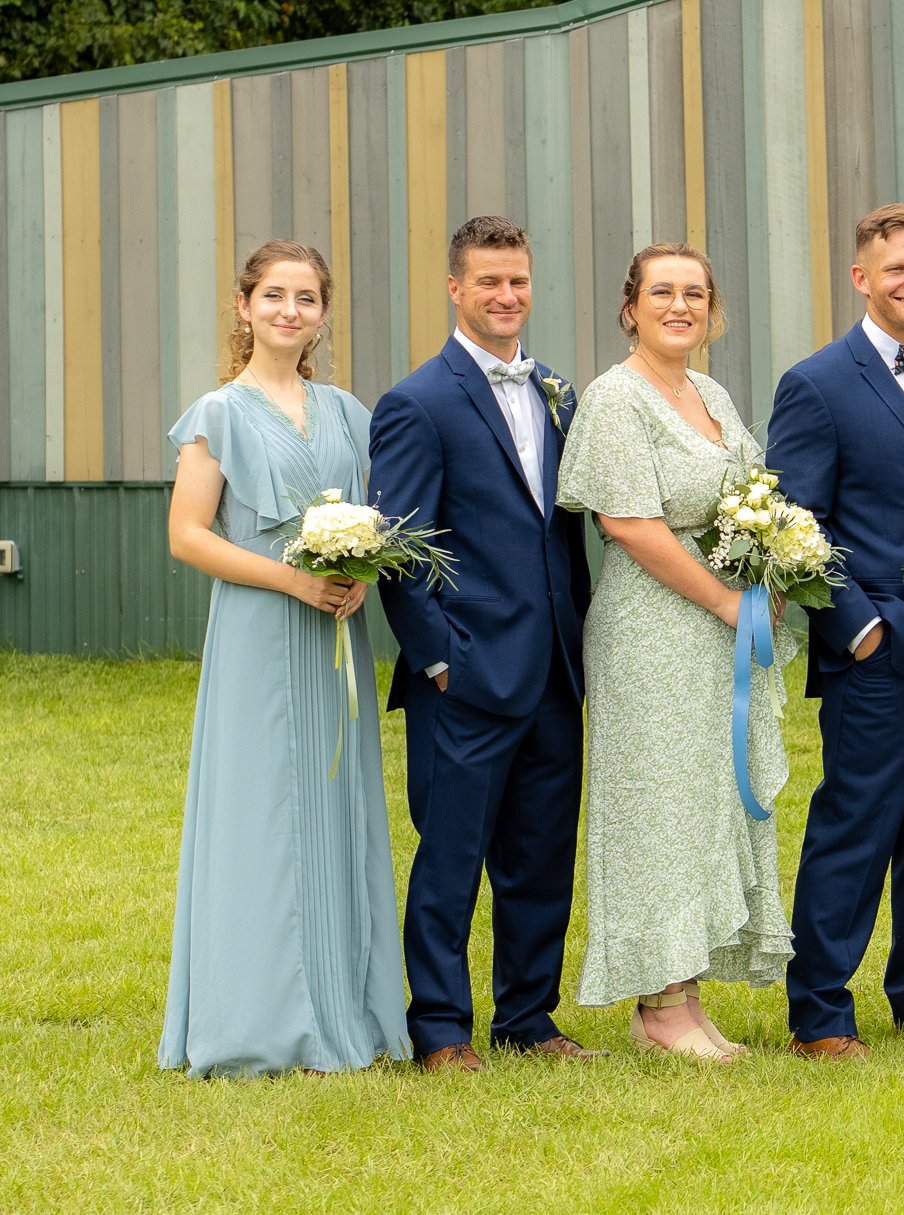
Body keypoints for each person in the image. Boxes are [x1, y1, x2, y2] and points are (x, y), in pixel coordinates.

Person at [160, 240, 408, 1078]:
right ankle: (257, 1023)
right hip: (259, 636)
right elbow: (187, 535)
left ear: (324, 314)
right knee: (262, 817)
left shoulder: (347, 411)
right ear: (244, 306)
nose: (289, 311)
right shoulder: (218, 413)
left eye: (306, 298)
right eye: (274, 296)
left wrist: (359, 578)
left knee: (337, 809)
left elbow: (376, 515)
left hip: (336, 633)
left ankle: (348, 1011)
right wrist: (291, 582)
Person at [371, 216, 599, 1073]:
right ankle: (439, 1028)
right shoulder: (417, 401)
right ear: (456, 289)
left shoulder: (559, 394)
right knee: (452, 859)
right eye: (489, 282)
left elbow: (563, 538)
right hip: (463, 674)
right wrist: (439, 659)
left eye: (520, 282)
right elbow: (399, 549)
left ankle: (529, 1019)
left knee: (541, 857)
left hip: (553, 672)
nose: (508, 297)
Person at [556, 244, 794, 1061]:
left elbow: (752, 501)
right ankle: (659, 1004)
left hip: (716, 631)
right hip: (652, 628)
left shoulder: (712, 394)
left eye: (696, 291)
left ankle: (685, 995)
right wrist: (729, 598)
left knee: (702, 803)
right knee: (655, 808)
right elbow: (629, 523)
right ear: (631, 306)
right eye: (663, 291)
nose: (680, 305)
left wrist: (775, 564)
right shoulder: (615, 398)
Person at [767, 204, 904, 1059]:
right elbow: (793, 523)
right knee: (855, 825)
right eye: (898, 268)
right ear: (862, 277)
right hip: (875, 651)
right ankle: (820, 1009)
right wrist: (860, 626)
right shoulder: (818, 382)